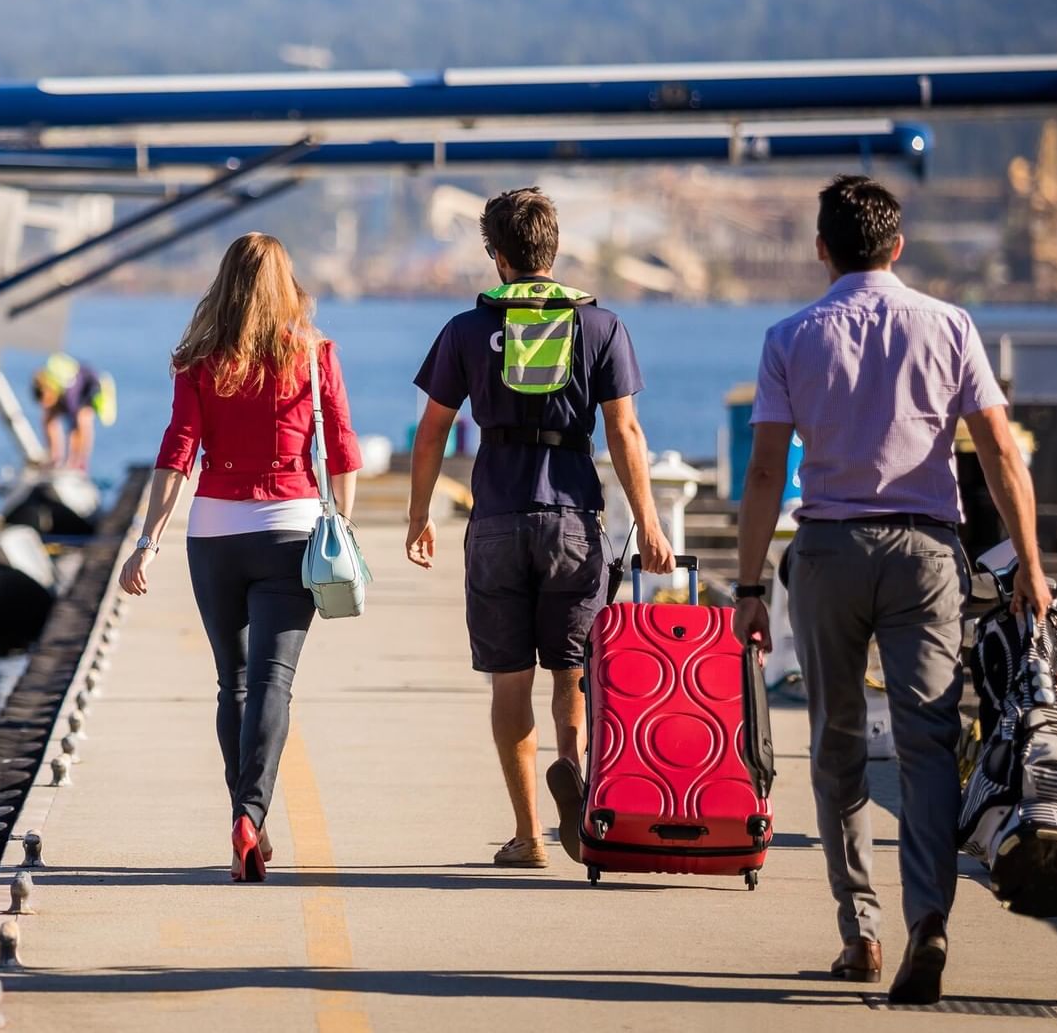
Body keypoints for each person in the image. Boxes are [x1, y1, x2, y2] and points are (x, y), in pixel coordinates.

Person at [732, 174, 1050, 1004]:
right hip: (926, 555)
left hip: (829, 551)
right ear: (896, 247)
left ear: (820, 249)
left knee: (836, 743)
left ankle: (860, 932)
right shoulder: (949, 324)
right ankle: (929, 919)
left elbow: (766, 468)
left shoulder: (789, 336)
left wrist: (747, 583)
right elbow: (999, 452)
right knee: (927, 742)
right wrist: (1031, 564)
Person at [405, 186, 675, 869]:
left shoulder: (467, 329)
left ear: (496, 257)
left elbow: (432, 428)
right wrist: (647, 522)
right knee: (569, 671)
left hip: (495, 513)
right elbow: (624, 429)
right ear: (554, 249)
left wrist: (417, 515)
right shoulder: (602, 325)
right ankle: (572, 772)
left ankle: (527, 834)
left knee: (508, 679)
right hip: (574, 518)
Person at [118, 233, 361, 882]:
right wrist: (343, 526)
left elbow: (177, 454)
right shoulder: (315, 355)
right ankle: (249, 815)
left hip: (214, 532)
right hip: (291, 528)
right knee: (272, 681)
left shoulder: (199, 361)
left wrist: (147, 541)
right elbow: (342, 451)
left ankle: (244, 820)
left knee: (233, 683)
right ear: (288, 284)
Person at [32, 352, 114, 471]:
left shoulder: (70, 395)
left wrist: (70, 461)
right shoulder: (45, 382)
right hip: (65, 390)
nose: (44, 404)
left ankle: (79, 463)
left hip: (90, 391)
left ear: (51, 392)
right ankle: (54, 458)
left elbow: (74, 428)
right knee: (48, 418)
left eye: (47, 400)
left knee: (82, 420)